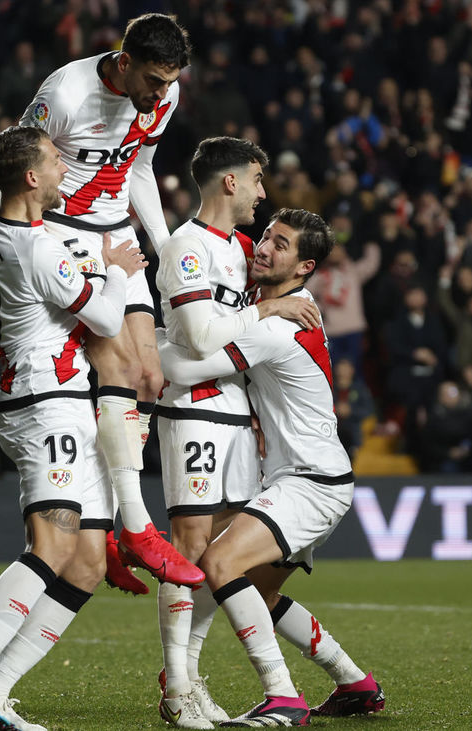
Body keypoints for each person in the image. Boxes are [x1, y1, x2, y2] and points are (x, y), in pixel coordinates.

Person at [0, 13, 200, 590]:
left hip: (118, 233)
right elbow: (9, 161)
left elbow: (139, 168)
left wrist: (160, 246)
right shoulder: (67, 91)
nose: (161, 93)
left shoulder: (165, 96)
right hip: (65, 233)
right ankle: (136, 528)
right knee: (115, 363)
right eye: (154, 81)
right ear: (125, 59)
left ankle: (108, 525)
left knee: (149, 378)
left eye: (169, 82)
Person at [0, 126, 149, 731]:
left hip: (53, 400)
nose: (65, 170)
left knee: (85, 566)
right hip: (44, 402)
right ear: (31, 177)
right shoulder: (35, 248)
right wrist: (114, 269)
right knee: (51, 547)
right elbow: (105, 318)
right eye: (56, 161)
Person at [160, 209, 384, 727]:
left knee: (218, 565)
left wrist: (139, 338)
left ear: (304, 266)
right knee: (258, 591)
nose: (262, 247)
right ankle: (354, 682)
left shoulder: (280, 321)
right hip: (310, 476)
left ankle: (282, 695)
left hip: (310, 483)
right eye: (264, 235)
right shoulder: (276, 305)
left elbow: (183, 367)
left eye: (279, 244)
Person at [152, 138, 321, 728]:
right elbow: (199, 335)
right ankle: (177, 684)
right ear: (229, 183)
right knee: (190, 549)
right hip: (195, 412)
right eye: (255, 179)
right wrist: (267, 313)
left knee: (221, 558)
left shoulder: (245, 249)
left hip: (237, 419)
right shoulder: (187, 248)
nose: (261, 192)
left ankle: (189, 679)